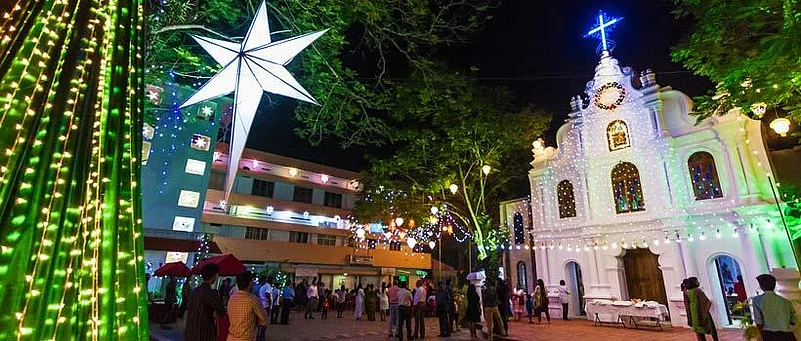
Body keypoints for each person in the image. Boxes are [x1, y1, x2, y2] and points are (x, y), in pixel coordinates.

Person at [184, 264, 226, 341]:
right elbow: (222, 312)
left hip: (190, 332)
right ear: (214, 276)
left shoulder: (194, 291)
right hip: (204, 333)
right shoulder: (212, 293)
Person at [753, 274, 797, 341]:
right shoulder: (786, 301)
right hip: (787, 335)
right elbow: (793, 321)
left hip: (769, 335)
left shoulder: (757, 300)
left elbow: (759, 321)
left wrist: (762, 337)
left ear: (762, 286)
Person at [227, 271, 268, 341]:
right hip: (246, 338)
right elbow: (264, 320)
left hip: (231, 337)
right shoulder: (253, 299)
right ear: (250, 283)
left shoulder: (232, 298)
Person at [683, 277, 719, 341]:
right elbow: (706, 301)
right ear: (694, 283)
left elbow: (687, 304)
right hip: (702, 310)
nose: (698, 282)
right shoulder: (698, 290)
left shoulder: (687, 292)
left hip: (693, 312)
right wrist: (705, 309)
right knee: (711, 327)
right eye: (697, 281)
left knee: (698, 329)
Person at [256, 276, 273, 340]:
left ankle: (259, 335)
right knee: (264, 321)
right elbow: (267, 294)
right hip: (266, 305)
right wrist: (270, 302)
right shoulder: (268, 286)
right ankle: (261, 336)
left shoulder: (262, 286)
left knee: (261, 321)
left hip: (261, 304)